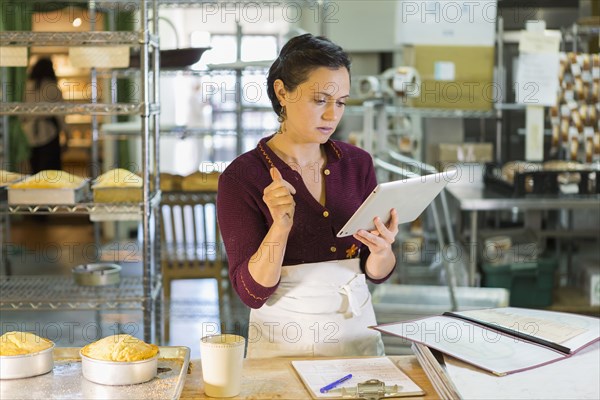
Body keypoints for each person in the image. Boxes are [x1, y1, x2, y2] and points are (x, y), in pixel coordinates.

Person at [217, 34, 399, 358]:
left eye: (341, 101)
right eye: (320, 100)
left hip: (357, 337)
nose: (332, 115)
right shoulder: (241, 177)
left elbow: (375, 272)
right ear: (282, 92)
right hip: (284, 343)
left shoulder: (358, 164)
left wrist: (382, 251)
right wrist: (279, 228)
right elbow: (251, 293)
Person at [20, 57, 67, 174]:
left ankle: (35, 191)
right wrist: (67, 134)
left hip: (29, 132)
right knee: (51, 172)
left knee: (34, 170)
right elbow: (61, 113)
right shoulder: (53, 87)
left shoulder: (26, 87)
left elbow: (21, 113)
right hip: (49, 132)